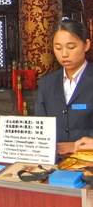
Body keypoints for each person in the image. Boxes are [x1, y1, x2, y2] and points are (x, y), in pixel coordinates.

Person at [35, 18, 93, 156]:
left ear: (86, 45)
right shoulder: (46, 82)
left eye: (71, 47)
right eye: (58, 48)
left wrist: (76, 146)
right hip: (54, 160)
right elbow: (40, 125)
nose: (64, 54)